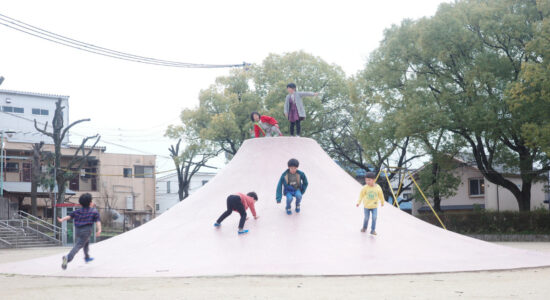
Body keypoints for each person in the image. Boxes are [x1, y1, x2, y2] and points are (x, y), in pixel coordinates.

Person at [57, 193, 101, 270]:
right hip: (86, 231)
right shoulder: (94, 211)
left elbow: (69, 216)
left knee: (86, 242)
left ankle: (87, 257)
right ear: (90, 203)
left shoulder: (78, 211)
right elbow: (98, 222)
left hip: (78, 231)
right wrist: (99, 229)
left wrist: (62, 219)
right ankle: (67, 258)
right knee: (78, 245)